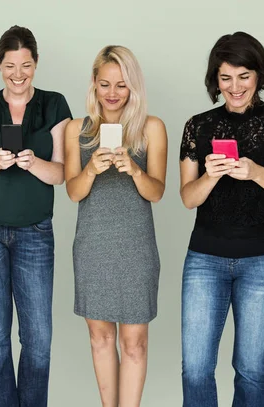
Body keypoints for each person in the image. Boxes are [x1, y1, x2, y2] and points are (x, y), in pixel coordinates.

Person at [179, 32, 264, 407]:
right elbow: (188, 198)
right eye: (225, 78)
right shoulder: (198, 126)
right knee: (195, 368)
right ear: (215, 80)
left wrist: (256, 173)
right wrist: (211, 175)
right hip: (205, 259)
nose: (234, 87)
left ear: (259, 76)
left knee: (251, 368)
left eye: (243, 76)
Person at [0, 25, 72, 407]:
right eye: (10, 65)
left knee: (38, 338)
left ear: (36, 64)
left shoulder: (55, 105)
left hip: (35, 232)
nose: (18, 74)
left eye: (26, 65)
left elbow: (62, 174)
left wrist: (33, 163)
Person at [64, 45, 167, 407]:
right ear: (93, 83)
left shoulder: (151, 128)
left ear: (133, 87)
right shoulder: (77, 129)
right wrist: (91, 169)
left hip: (136, 247)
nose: (112, 93)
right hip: (93, 245)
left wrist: (134, 170)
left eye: (121, 85)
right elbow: (73, 193)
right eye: (105, 84)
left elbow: (157, 192)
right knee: (100, 339)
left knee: (135, 342)